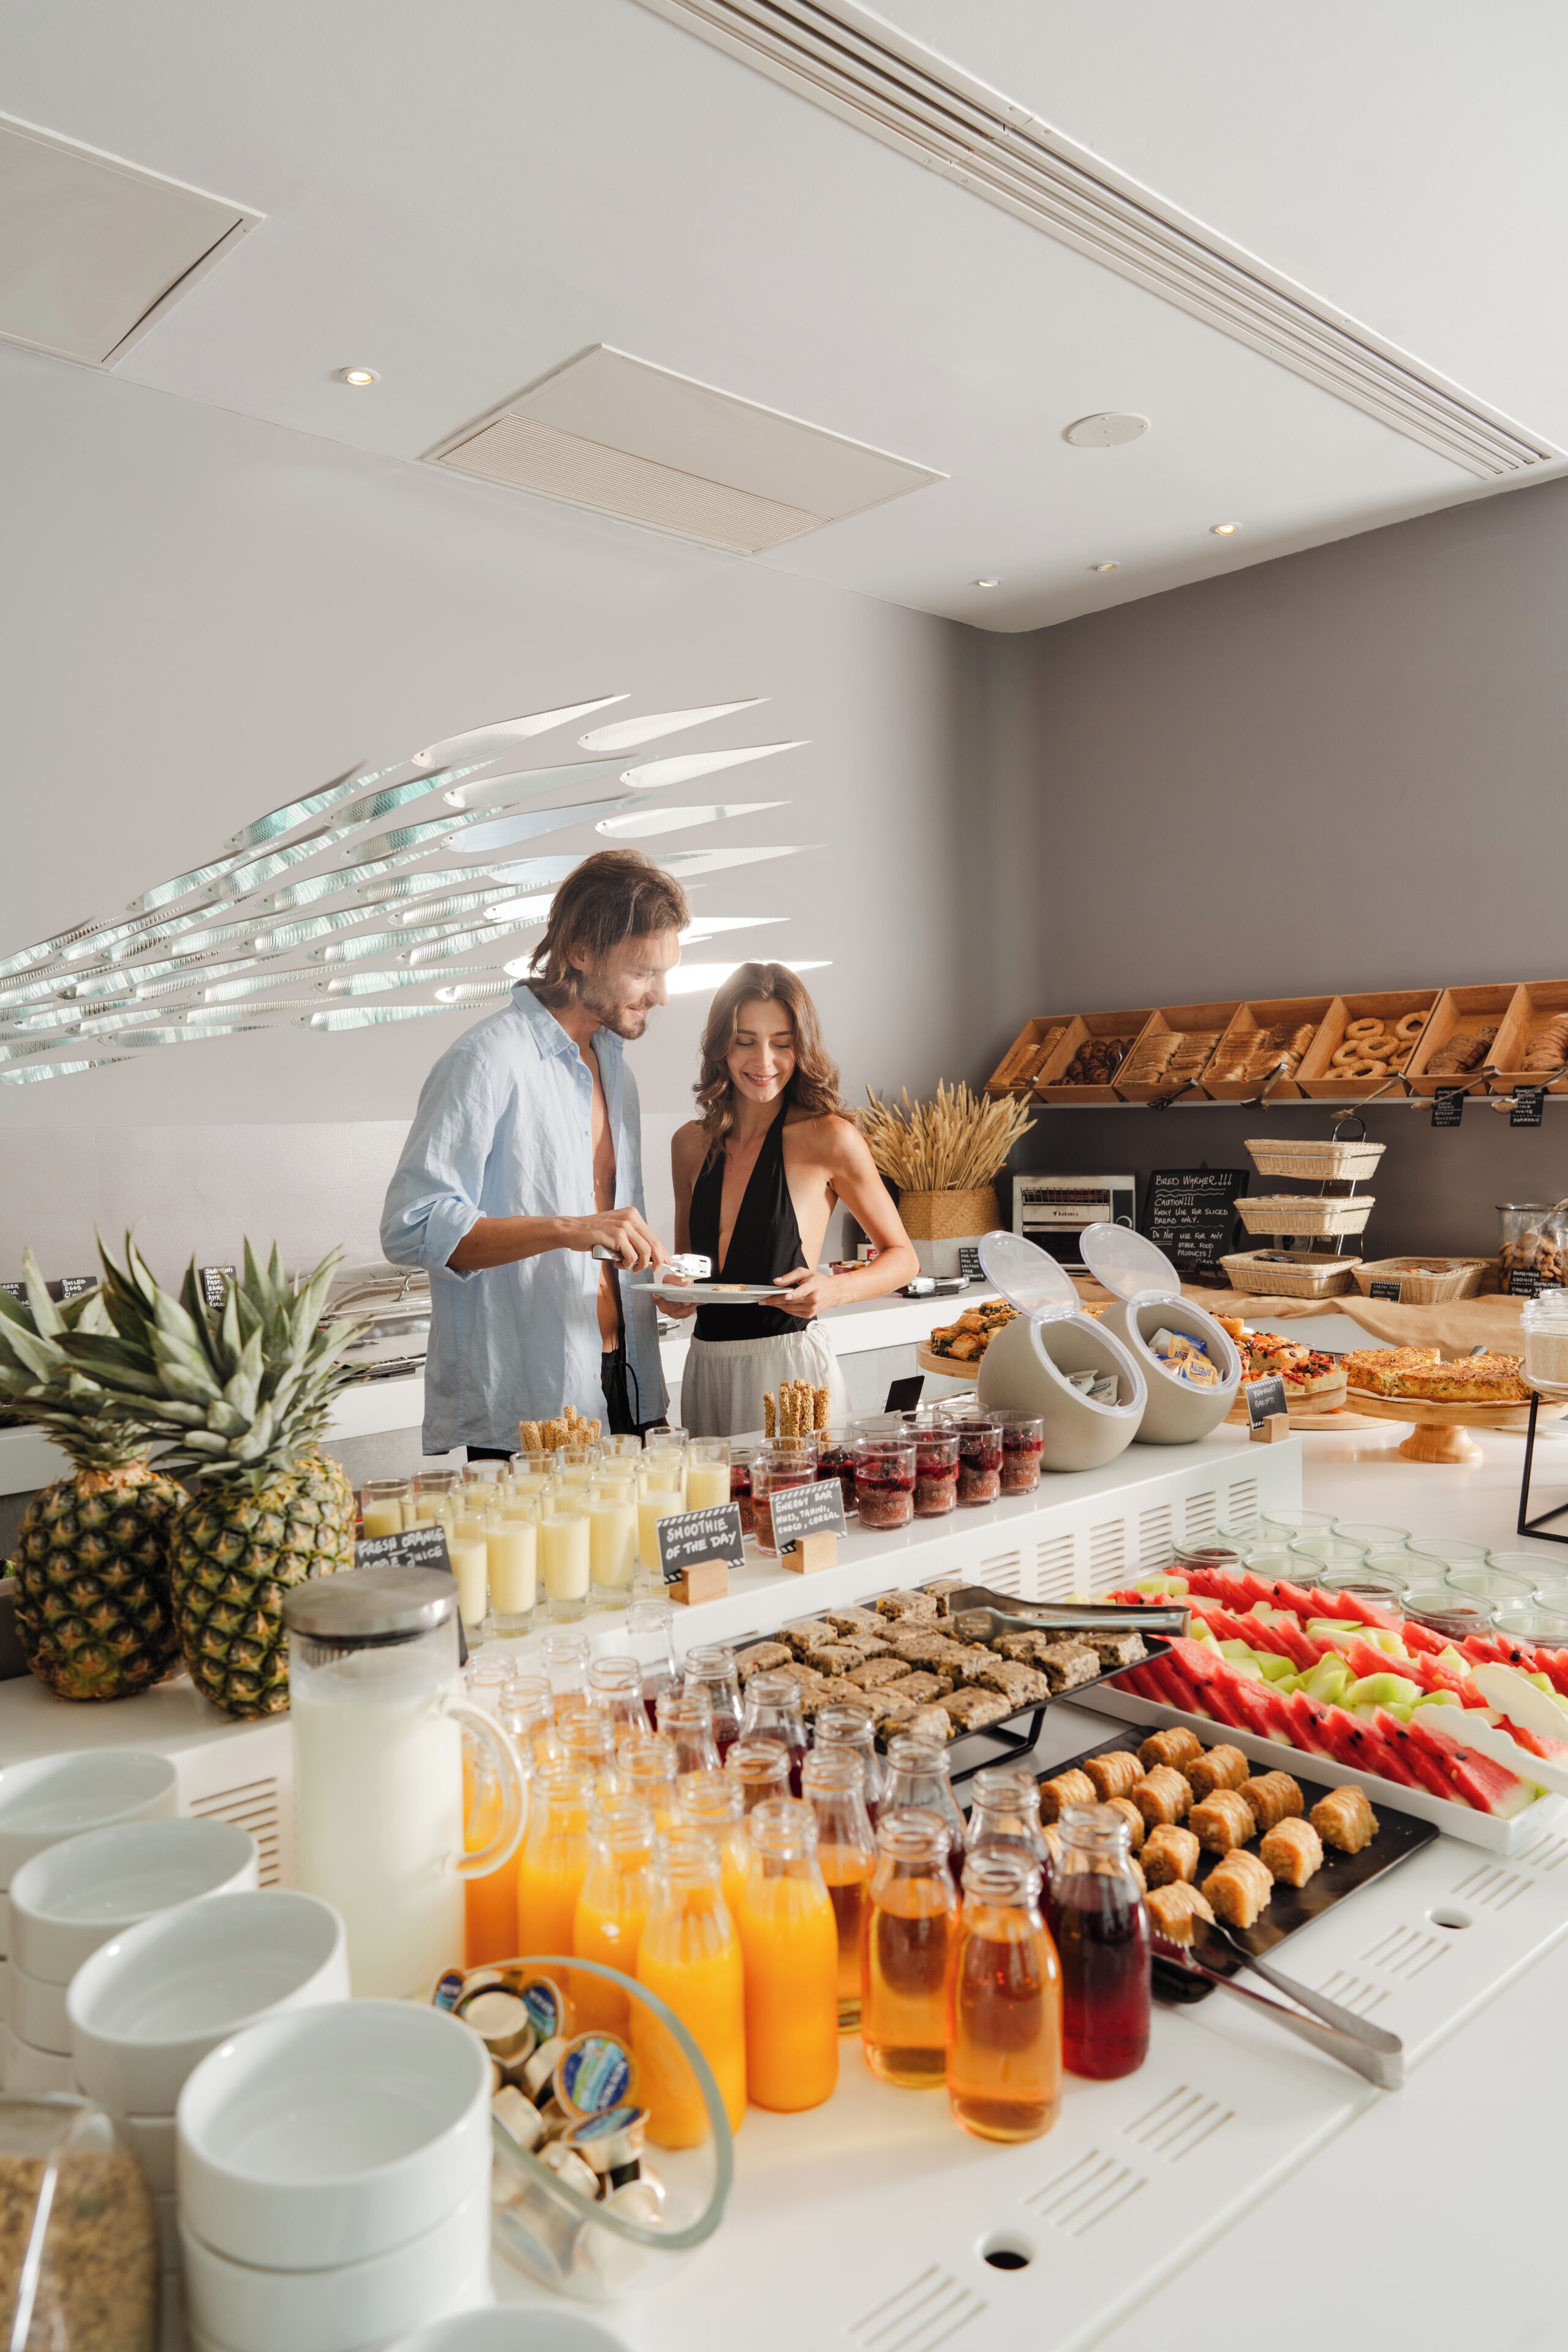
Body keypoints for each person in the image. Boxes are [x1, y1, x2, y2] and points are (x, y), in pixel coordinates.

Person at [380, 848, 689, 1456]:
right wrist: (569, 1229)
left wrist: (660, 1282)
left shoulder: (616, 1071)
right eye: (643, 972)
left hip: (627, 1383)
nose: (662, 995)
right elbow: (411, 1227)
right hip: (533, 1401)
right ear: (581, 952)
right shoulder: (486, 1060)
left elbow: (606, 1235)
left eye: (666, 973)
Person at [667, 963, 918, 1437]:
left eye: (781, 1043)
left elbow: (904, 1259)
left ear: (800, 1048)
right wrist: (675, 1286)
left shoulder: (830, 1139)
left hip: (790, 1374)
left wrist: (835, 1290)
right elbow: (689, 1264)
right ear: (720, 1046)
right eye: (745, 1041)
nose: (764, 1061)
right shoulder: (688, 1145)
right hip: (706, 1369)